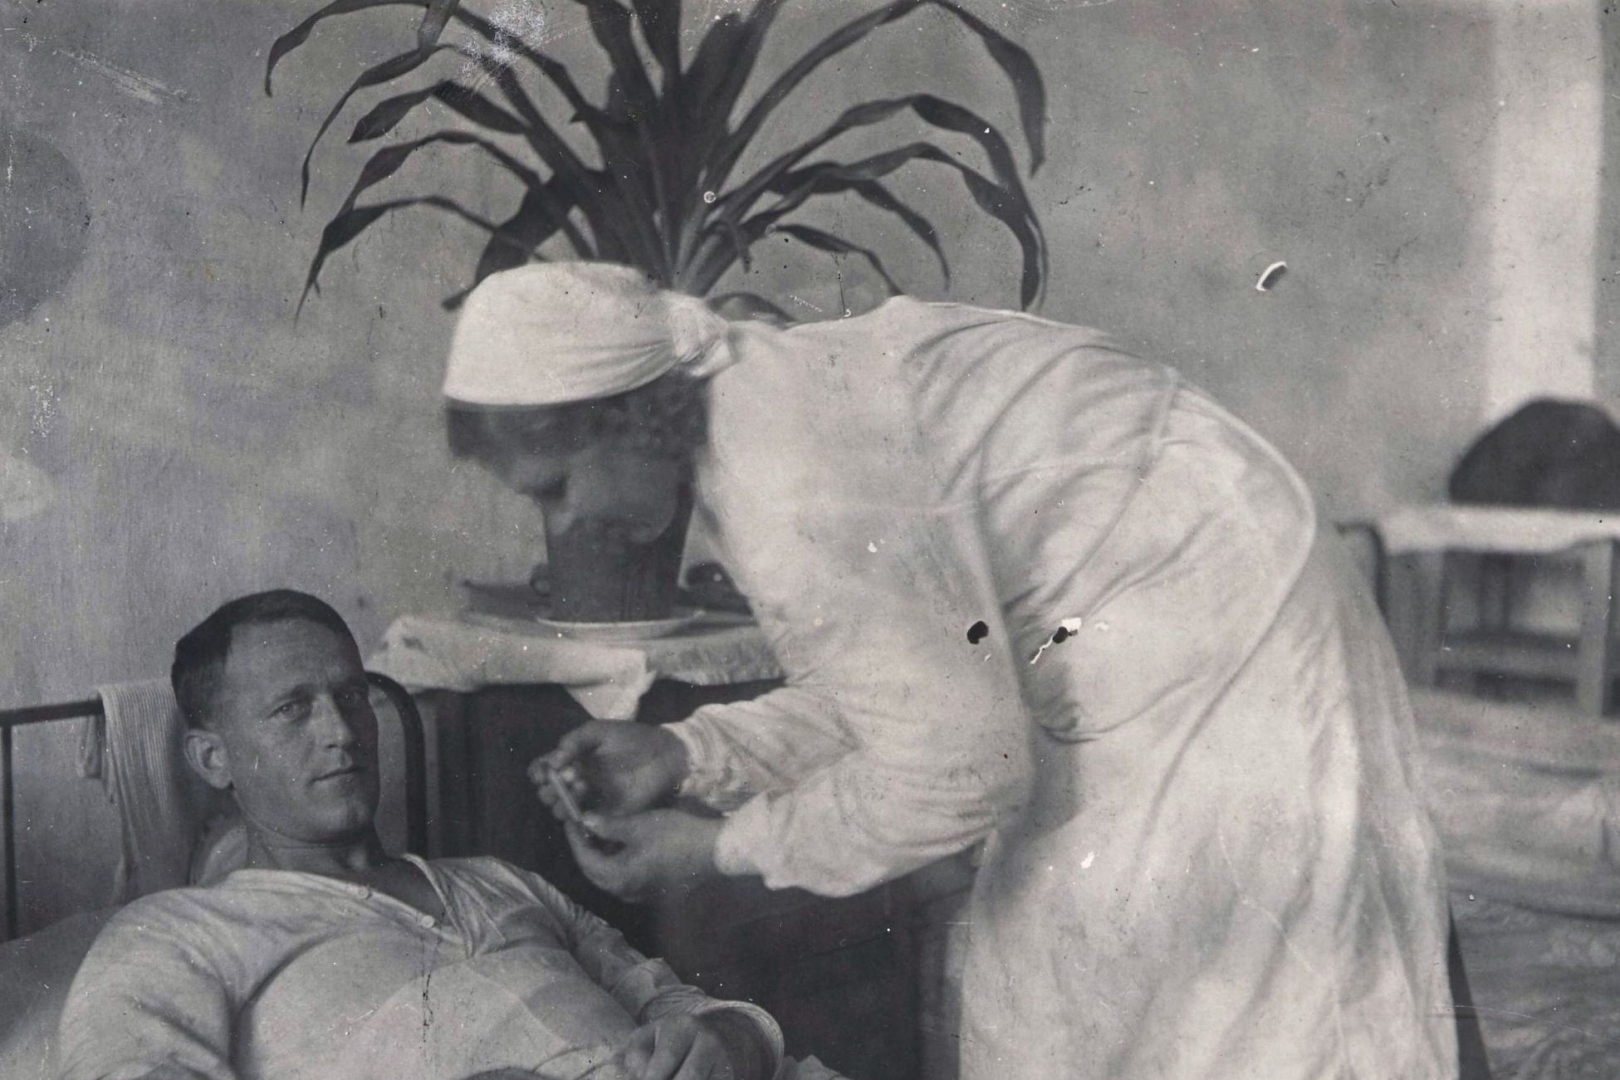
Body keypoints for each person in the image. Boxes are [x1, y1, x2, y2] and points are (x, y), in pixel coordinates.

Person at [442, 263, 1461, 1080]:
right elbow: (911, 694)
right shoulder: (751, 407)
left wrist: (716, 849)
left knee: (1211, 1004)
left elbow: (960, 770)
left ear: (626, 417)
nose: (566, 522)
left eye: (558, 486)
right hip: (1136, 608)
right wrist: (685, 753)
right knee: (1069, 993)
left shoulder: (784, 472)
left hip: (1217, 615)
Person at [57, 589, 819, 1080]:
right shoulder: (176, 935)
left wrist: (734, 1037)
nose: (341, 732)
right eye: (293, 709)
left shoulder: (501, 881)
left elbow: (669, 1001)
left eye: (351, 695)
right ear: (212, 759)